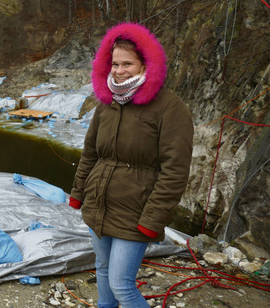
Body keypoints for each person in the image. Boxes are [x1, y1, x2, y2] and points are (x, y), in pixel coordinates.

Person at [69, 22, 193, 308]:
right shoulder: (107, 102)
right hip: (99, 204)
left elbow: (174, 170)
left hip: (136, 211)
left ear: (145, 65)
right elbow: (91, 153)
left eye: (128, 63)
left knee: (122, 285)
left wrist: (153, 219)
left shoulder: (169, 108)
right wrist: (78, 193)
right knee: (102, 269)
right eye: (114, 63)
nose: (119, 70)